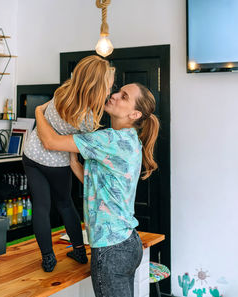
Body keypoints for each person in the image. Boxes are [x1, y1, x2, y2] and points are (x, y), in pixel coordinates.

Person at [34, 83, 160, 297]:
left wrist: (39, 111)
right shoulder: (129, 140)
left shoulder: (110, 139)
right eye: (118, 91)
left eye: (124, 96)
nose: (114, 95)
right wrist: (74, 157)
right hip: (127, 242)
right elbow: (99, 185)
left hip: (112, 249)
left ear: (134, 114)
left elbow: (49, 141)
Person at [22, 55, 115, 272]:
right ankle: (80, 251)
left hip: (33, 154)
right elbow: (77, 146)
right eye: (108, 85)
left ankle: (48, 259)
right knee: (65, 204)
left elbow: (43, 111)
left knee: (41, 207)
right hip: (59, 162)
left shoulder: (61, 92)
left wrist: (40, 113)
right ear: (97, 85)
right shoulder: (89, 118)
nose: (109, 90)